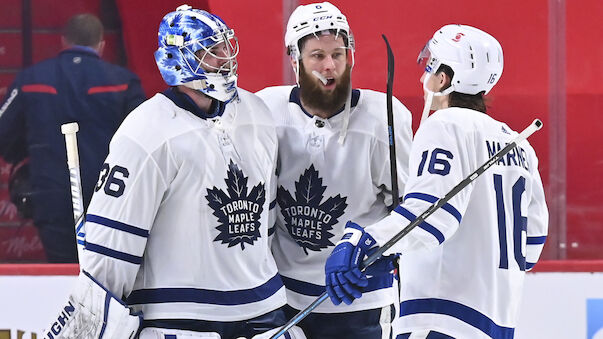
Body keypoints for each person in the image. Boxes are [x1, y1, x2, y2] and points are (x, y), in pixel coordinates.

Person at [42, 5, 309, 339]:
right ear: (178, 60)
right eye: (210, 51)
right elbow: (110, 251)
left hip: (263, 310)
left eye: (225, 46)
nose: (224, 58)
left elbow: (265, 223)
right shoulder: (145, 132)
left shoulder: (256, 113)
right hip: (181, 318)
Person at [324, 24, 549, 339]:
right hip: (497, 325)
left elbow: (432, 216)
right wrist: (400, 251)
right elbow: (532, 248)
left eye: (429, 66)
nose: (422, 77)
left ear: (444, 79)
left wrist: (365, 241)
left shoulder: (445, 125)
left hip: (440, 321)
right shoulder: (520, 146)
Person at [256, 2, 413, 338]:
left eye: (337, 55)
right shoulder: (266, 110)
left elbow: (409, 208)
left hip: (361, 297)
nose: (329, 67)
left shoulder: (383, 116)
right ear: (295, 60)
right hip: (283, 298)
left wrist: (373, 244)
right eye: (317, 56)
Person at [0, 13, 146, 263]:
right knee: (107, 272)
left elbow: (3, 131)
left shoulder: (31, 79)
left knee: (63, 274)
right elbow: (145, 140)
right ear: (101, 45)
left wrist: (26, 153)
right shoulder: (123, 81)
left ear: (63, 42)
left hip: (50, 196)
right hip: (111, 198)